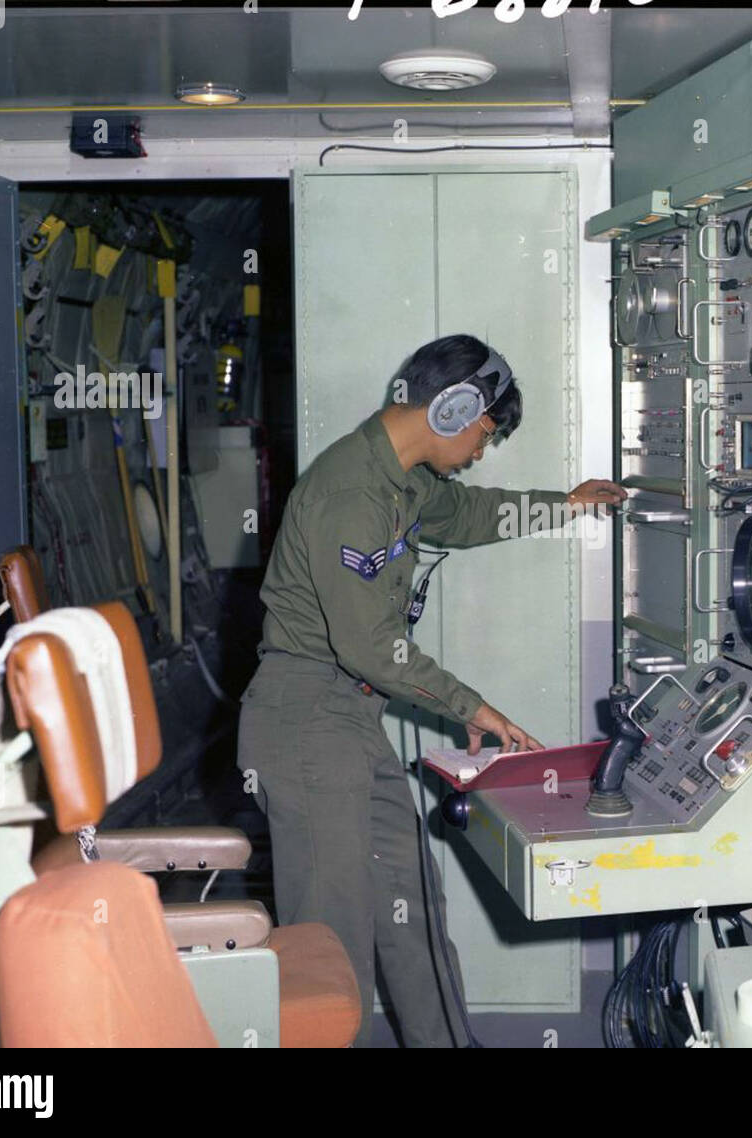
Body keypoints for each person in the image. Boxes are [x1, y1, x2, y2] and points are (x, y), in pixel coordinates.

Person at [237, 333, 627, 1047]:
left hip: (349, 721)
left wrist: (566, 504)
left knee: (410, 902)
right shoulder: (350, 493)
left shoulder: (403, 480)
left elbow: (470, 515)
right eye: (484, 432)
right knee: (334, 945)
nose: (483, 450)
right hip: (305, 721)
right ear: (452, 408)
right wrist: (471, 707)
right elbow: (366, 646)